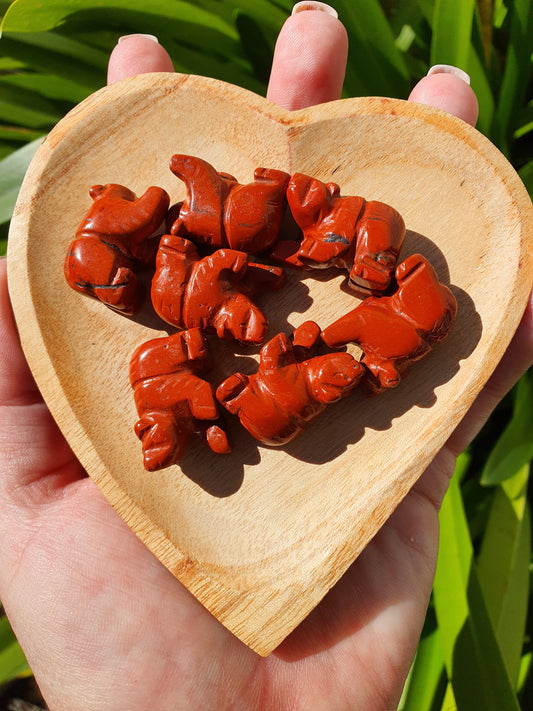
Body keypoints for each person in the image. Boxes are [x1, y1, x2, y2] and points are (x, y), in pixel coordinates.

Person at [0, 4, 531, 710]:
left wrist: (277, 302)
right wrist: (226, 292)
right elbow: (243, 322)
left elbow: (324, 337)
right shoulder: (223, 323)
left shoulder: (317, 339)